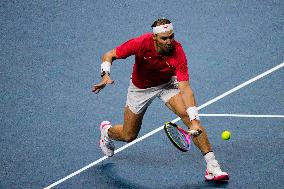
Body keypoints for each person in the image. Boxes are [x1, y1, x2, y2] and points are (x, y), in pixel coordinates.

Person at [92, 18, 229, 181]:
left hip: (167, 84)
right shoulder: (140, 43)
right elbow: (109, 55)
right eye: (164, 38)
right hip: (140, 89)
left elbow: (185, 88)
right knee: (129, 135)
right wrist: (105, 75)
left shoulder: (178, 51)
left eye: (171, 36)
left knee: (188, 117)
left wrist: (194, 119)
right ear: (154, 37)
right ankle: (106, 132)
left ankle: (212, 166)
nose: (169, 41)